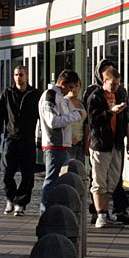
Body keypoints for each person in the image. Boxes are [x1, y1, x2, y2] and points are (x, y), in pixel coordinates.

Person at [87, 65, 129, 228]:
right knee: (99, 181)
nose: (115, 86)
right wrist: (111, 112)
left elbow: (125, 120)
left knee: (113, 180)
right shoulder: (96, 97)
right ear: (104, 81)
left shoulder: (120, 94)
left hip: (116, 144)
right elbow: (93, 120)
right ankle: (100, 214)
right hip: (101, 144)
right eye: (113, 83)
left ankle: (104, 212)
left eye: (118, 83)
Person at [0, 65, 40, 217]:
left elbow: (42, 116)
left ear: (27, 76)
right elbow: (0, 116)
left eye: (21, 75)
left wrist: (42, 136)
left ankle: (20, 203)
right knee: (6, 173)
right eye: (15, 75)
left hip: (28, 139)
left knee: (28, 174)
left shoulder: (35, 94)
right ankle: (10, 198)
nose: (18, 78)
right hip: (10, 138)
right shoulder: (7, 93)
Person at [38, 70, 86, 214]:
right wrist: (76, 115)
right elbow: (53, 121)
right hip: (54, 144)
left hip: (62, 144)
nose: (71, 91)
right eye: (70, 87)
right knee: (52, 179)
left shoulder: (59, 97)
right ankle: (45, 211)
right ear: (63, 83)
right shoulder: (50, 95)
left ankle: (51, 210)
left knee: (57, 180)